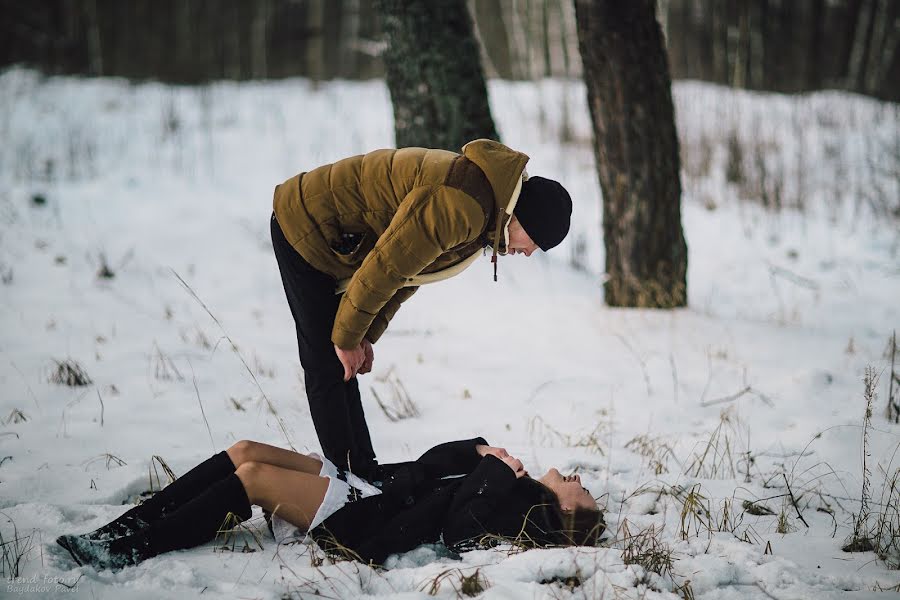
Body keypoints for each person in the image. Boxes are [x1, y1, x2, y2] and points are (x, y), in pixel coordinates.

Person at [270, 139, 573, 479]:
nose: (529, 253)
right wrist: (348, 337)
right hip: (307, 224)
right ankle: (349, 486)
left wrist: (362, 336)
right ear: (522, 219)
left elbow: (409, 274)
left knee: (342, 360)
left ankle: (360, 473)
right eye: (535, 242)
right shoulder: (464, 205)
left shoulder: (485, 210)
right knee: (326, 362)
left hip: (339, 241)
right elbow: (386, 267)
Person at [55, 437, 604, 570]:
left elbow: (460, 531)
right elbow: (429, 464)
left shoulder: (510, 512)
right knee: (244, 449)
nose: (579, 477)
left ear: (567, 513)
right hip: (370, 490)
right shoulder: (509, 480)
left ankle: (130, 550)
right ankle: (115, 530)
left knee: (252, 477)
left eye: (583, 489)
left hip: (361, 526)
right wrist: (479, 448)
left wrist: (490, 470)